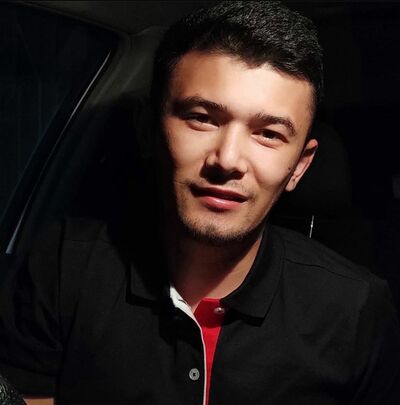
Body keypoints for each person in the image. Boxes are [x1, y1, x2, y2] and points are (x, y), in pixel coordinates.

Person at [0, 1, 399, 404]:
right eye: (202, 117)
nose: (228, 160)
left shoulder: (355, 309)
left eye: (269, 134)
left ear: (299, 166)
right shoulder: (63, 266)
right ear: (148, 129)